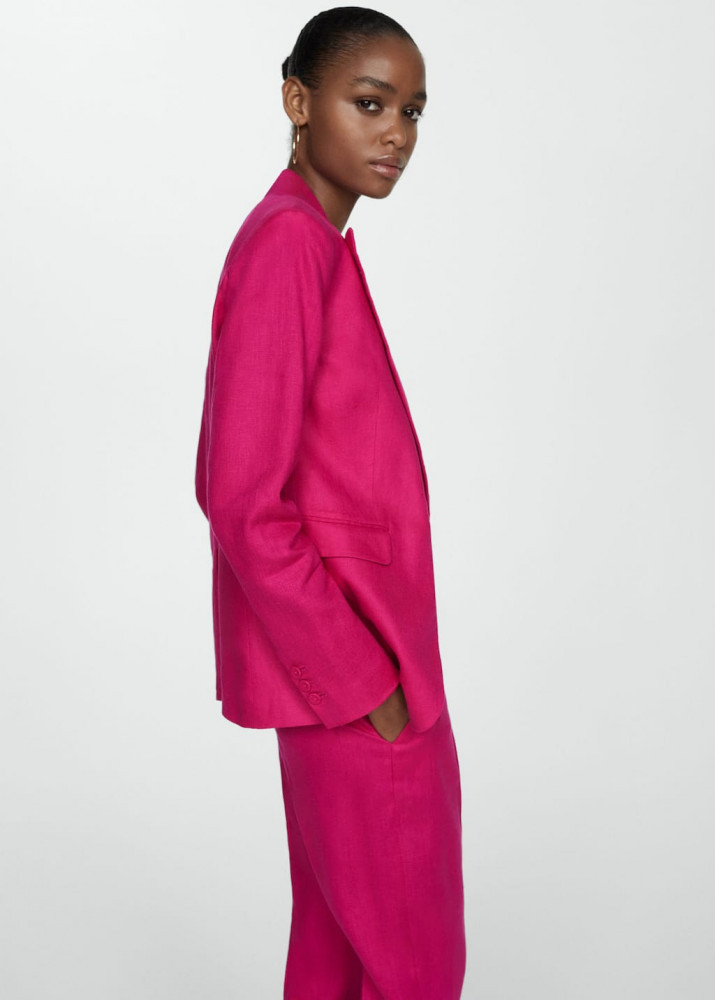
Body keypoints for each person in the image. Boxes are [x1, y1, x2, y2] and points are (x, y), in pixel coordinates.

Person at [194, 7, 466, 998]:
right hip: (355, 673)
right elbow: (239, 498)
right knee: (413, 966)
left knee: (337, 954)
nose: (396, 133)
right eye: (369, 103)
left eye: (411, 111)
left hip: (354, 674)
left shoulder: (308, 238)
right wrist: (364, 685)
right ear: (297, 101)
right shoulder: (289, 245)